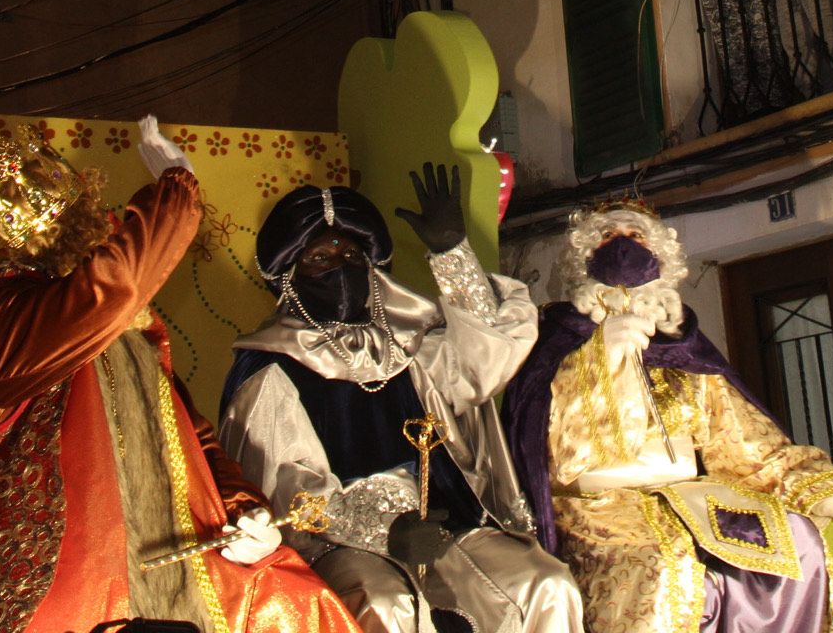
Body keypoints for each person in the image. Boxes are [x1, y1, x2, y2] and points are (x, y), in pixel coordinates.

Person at [0, 119, 360, 633]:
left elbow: (195, 443)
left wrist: (247, 518)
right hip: (54, 594)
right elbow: (115, 288)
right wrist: (177, 189)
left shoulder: (125, 333)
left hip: (183, 580)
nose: (102, 223)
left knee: (308, 608)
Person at [218, 166, 582, 633]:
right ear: (289, 276)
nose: (339, 265)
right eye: (320, 257)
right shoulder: (271, 367)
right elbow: (290, 490)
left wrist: (452, 251)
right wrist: (384, 532)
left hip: (447, 523)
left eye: (350, 253)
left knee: (545, 584)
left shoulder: (408, 346)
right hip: (339, 543)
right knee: (387, 604)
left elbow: (486, 359)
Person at [504, 203, 833, 633]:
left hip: (693, 498)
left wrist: (819, 492)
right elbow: (543, 442)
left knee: (795, 541)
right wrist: (600, 358)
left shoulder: (683, 348)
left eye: (637, 234)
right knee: (660, 564)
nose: (625, 244)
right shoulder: (557, 338)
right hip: (599, 506)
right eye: (609, 236)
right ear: (584, 256)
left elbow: (743, 438)